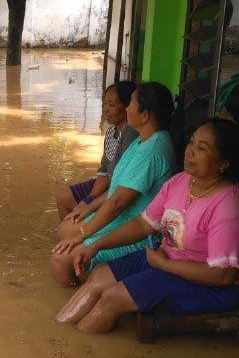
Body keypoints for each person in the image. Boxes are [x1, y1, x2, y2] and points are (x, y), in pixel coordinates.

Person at [55, 119, 239, 334]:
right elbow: (144, 224)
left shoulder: (231, 208)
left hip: (214, 287)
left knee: (112, 297)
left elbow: (223, 275)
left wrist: (164, 266)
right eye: (191, 143)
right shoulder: (180, 182)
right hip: (168, 260)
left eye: (202, 148)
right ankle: (57, 336)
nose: (190, 151)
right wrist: (96, 245)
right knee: (99, 276)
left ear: (224, 163)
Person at [51, 82, 176, 287]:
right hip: (124, 219)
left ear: (144, 115)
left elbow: (118, 203)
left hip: (138, 232)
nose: (127, 109)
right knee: (65, 229)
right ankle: (86, 288)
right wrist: (88, 206)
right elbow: (116, 188)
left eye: (131, 104)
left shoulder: (153, 151)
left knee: (60, 259)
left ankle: (82, 294)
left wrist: (84, 234)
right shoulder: (142, 141)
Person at [55, 81, 138, 220]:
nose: (106, 109)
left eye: (111, 105)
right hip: (106, 184)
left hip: (116, 189)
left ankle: (72, 232)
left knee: (74, 217)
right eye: (104, 103)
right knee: (62, 197)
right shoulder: (111, 129)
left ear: (127, 107)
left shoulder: (130, 132)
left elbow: (121, 181)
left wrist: (89, 203)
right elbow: (104, 170)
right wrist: (89, 198)